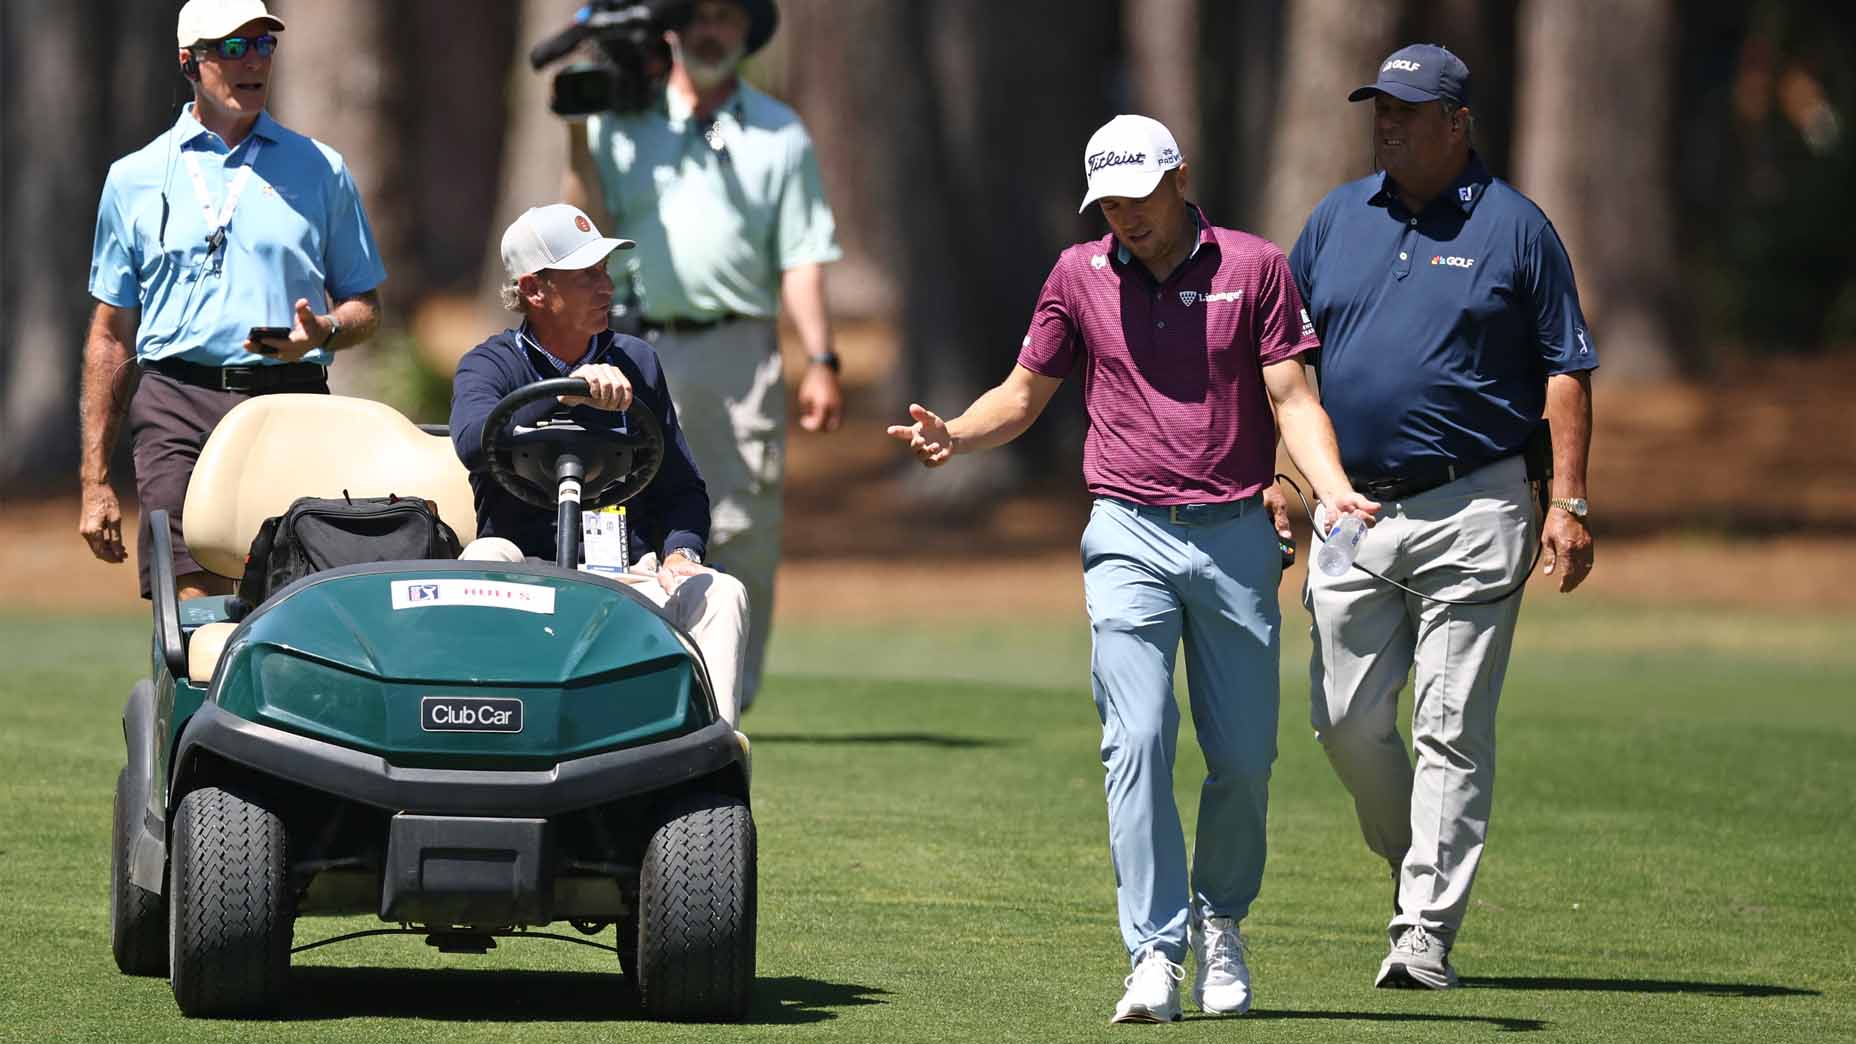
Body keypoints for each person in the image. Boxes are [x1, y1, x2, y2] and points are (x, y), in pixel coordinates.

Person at [889, 115, 1378, 1023]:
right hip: (1125, 531)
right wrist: (955, 433)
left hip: (1235, 535)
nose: (1125, 217)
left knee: (1242, 759)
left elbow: (1292, 394)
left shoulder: (1254, 267)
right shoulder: (1078, 275)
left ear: (1180, 179)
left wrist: (1333, 488)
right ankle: (1152, 952)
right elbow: (1023, 393)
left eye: (1139, 197)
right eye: (1108, 202)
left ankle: (1221, 921)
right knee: (1138, 738)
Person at [1287, 44, 1597, 989]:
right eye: (1380, 107)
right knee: (1343, 721)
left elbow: (1565, 368)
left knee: (1452, 725)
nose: (1388, 124)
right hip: (1352, 507)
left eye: (1409, 111)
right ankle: (1407, 856)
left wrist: (1571, 501)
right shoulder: (1338, 217)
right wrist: (1280, 481)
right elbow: (1284, 365)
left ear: (1458, 122)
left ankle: (1424, 927)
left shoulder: (1515, 228)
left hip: (1478, 500)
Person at [563, 0, 843, 714]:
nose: (712, 28)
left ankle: (725, 707)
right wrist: (575, 130)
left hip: (737, 348)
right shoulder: (619, 121)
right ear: (671, 29)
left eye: (727, 14)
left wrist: (822, 358)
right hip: (632, 345)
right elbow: (583, 222)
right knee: (621, 519)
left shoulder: (778, 131)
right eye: (698, 14)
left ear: (747, 30)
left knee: (742, 525)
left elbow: (802, 258)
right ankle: (635, 696)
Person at [79, 0, 386, 601]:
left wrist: (322, 331)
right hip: (176, 403)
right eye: (234, 48)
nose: (254, 63)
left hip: (291, 401)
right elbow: (110, 332)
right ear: (189, 63)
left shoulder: (321, 168)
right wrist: (94, 481)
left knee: (297, 596)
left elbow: (365, 307)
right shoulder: (134, 177)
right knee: (192, 602)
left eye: (264, 46)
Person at [451, 204, 750, 726]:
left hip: (623, 570)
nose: (606, 287)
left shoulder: (637, 360)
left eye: (604, 272)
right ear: (535, 291)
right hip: (525, 570)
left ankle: (715, 764)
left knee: (722, 591)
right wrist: (566, 398)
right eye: (586, 276)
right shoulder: (490, 363)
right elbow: (474, 442)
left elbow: (682, 487)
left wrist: (681, 550)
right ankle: (483, 738)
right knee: (482, 554)